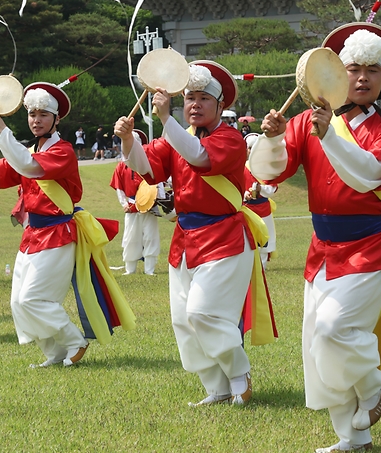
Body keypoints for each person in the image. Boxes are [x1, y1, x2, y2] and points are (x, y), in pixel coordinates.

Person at [250, 24, 381, 453]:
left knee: (333, 329)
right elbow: (270, 173)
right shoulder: (307, 121)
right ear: (337, 74)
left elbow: (368, 176)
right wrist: (272, 138)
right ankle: (353, 437)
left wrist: (327, 134)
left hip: (371, 246)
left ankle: (374, 381)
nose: (362, 78)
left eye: (372, 70)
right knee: (318, 344)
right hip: (322, 249)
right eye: (353, 69)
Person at [115, 60, 275, 407]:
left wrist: (165, 121)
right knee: (182, 320)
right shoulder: (176, 136)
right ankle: (216, 386)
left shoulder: (230, 138)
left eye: (204, 98)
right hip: (186, 239)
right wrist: (129, 141)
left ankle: (238, 373)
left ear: (220, 106)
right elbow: (148, 170)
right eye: (190, 97)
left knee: (203, 313)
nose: (195, 104)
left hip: (225, 237)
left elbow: (201, 158)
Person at [0, 83, 133, 367]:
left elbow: (30, 167)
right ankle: (54, 352)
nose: (36, 120)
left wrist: (4, 133)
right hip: (32, 235)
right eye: (32, 114)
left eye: (43, 114)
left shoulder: (64, 151)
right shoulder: (30, 150)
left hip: (58, 233)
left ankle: (74, 341)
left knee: (34, 299)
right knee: (18, 303)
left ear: (56, 119)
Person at [109, 129, 162, 276]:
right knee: (130, 237)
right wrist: (124, 203)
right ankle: (130, 269)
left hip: (149, 205)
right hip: (131, 205)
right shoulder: (121, 166)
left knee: (150, 236)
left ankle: (149, 269)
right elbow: (119, 187)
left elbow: (158, 182)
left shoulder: (150, 163)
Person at [243, 133, 278, 270]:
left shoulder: (267, 167)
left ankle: (261, 267)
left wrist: (260, 188)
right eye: (250, 148)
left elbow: (272, 189)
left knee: (264, 241)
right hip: (247, 210)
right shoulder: (241, 167)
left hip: (263, 209)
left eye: (255, 147)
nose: (252, 151)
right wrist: (245, 194)